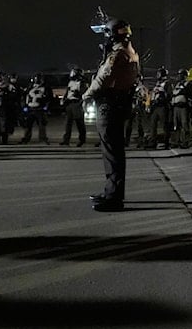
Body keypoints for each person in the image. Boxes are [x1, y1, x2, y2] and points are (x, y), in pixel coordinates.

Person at [84, 15, 140, 212]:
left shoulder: (117, 54)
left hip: (110, 104)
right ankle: (111, 192)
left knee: (112, 154)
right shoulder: (131, 52)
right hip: (120, 104)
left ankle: (114, 198)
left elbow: (103, 78)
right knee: (114, 152)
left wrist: (87, 94)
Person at [21, 72, 52, 144]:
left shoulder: (46, 88)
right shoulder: (30, 87)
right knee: (28, 125)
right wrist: (25, 106)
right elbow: (25, 97)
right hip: (30, 108)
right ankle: (26, 138)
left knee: (42, 125)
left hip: (40, 109)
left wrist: (46, 107)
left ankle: (43, 139)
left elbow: (49, 98)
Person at [60, 67, 87, 146]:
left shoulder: (82, 83)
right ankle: (66, 140)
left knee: (79, 123)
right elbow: (67, 92)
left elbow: (84, 94)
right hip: (69, 103)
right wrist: (64, 99)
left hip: (77, 103)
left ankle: (82, 140)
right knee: (68, 123)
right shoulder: (71, 82)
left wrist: (78, 94)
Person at [171, 68, 192, 149]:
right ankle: (176, 141)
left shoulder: (188, 84)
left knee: (185, 125)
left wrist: (185, 92)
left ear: (185, 76)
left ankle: (185, 142)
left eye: (181, 74)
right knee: (176, 126)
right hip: (176, 107)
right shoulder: (177, 84)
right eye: (179, 74)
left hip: (184, 107)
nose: (179, 76)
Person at [148, 66, 172, 149]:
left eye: (158, 73)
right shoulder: (157, 83)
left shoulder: (167, 83)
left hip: (162, 106)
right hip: (155, 106)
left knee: (165, 125)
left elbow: (169, 95)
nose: (157, 75)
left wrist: (162, 94)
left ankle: (166, 142)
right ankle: (152, 142)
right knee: (153, 124)